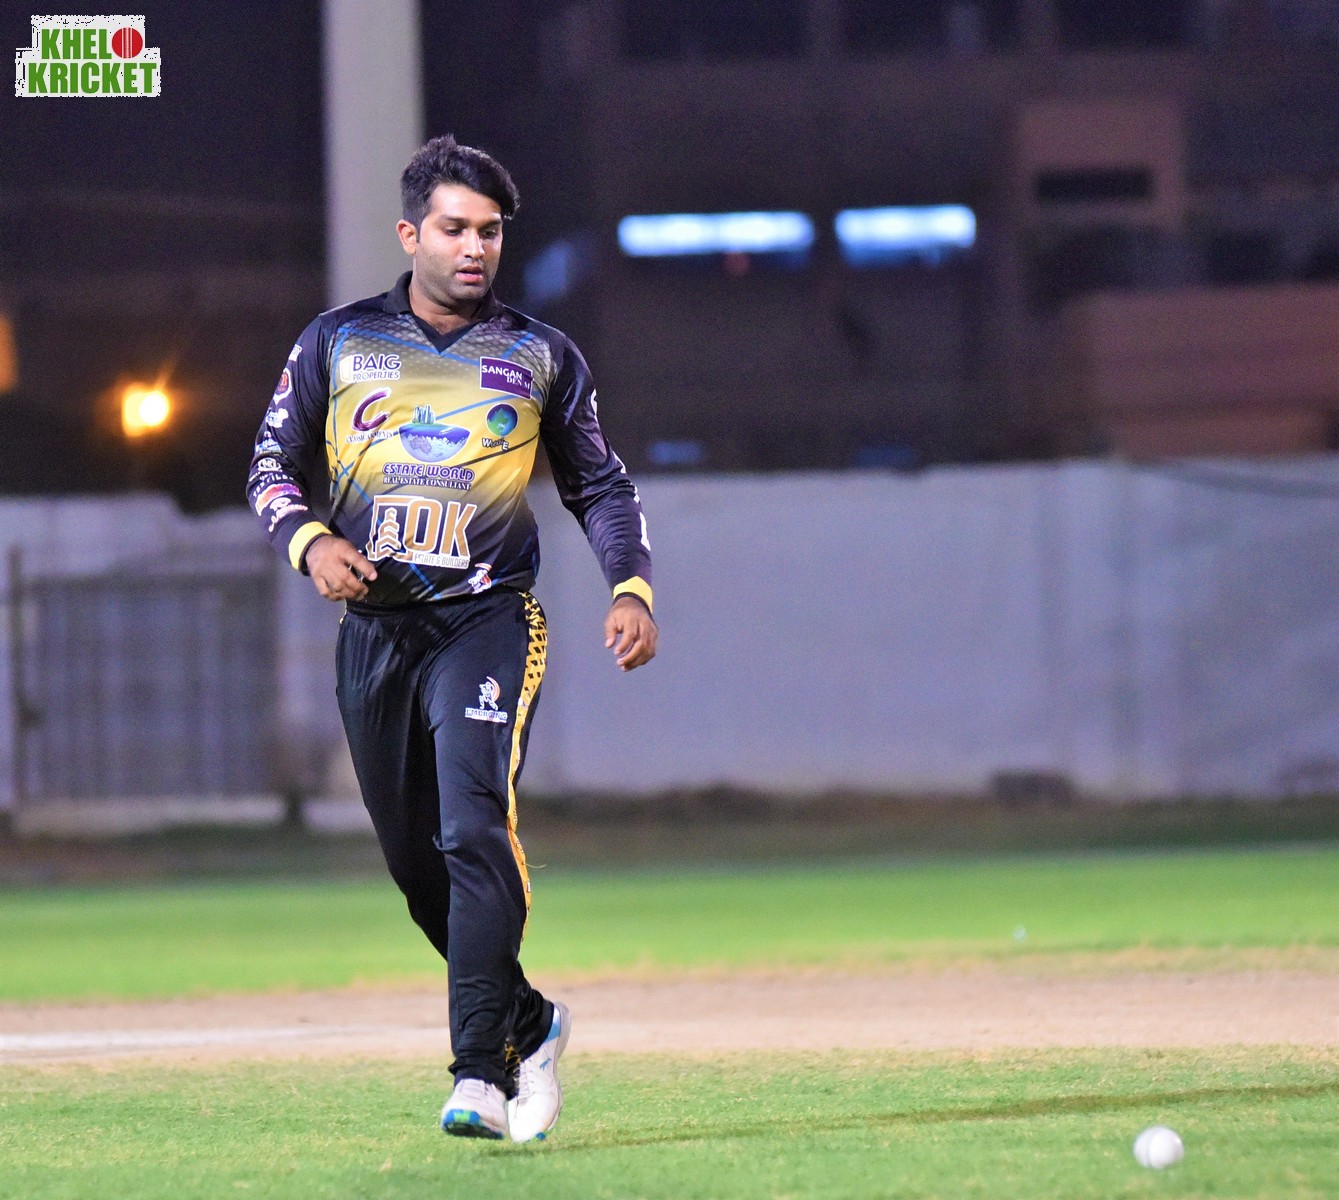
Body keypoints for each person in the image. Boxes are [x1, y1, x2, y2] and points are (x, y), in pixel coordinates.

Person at [245, 134, 657, 1142]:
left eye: (491, 232)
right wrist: (309, 541)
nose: (475, 248)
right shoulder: (338, 342)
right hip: (375, 635)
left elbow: (601, 486)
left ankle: (480, 1073)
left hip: (487, 620)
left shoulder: (540, 356)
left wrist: (631, 586)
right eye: (455, 228)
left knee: (472, 829)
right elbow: (269, 467)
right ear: (410, 234)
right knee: (416, 870)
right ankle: (532, 1022)